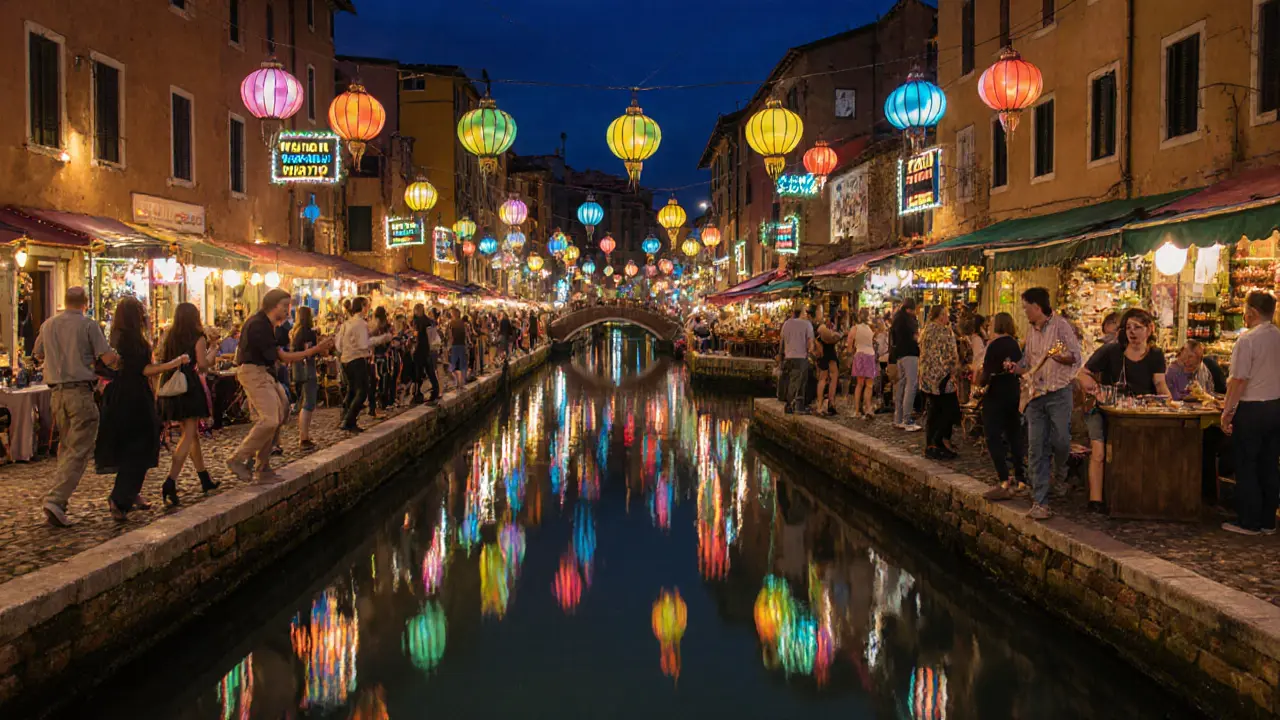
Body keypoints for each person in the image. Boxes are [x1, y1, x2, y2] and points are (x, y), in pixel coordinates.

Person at [32, 287, 120, 527]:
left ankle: (59, 502)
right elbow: (107, 358)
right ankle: (57, 499)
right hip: (79, 392)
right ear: (85, 302)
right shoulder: (88, 325)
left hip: (56, 394)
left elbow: (37, 354)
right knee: (79, 449)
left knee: (67, 446)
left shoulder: (48, 325)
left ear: (64, 300)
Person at [95, 297, 187, 520]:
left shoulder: (116, 337)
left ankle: (130, 493)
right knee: (141, 445)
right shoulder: (132, 340)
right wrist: (175, 363)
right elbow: (144, 370)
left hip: (118, 396)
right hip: (134, 396)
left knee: (133, 445)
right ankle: (120, 497)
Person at [227, 289, 332, 483]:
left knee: (282, 411)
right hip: (253, 373)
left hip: (265, 373)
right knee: (270, 419)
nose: (287, 311)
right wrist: (315, 350)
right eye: (285, 306)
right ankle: (239, 458)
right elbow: (283, 357)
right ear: (273, 306)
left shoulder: (269, 325)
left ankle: (262, 465)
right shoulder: (258, 325)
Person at [1077, 308, 1169, 513]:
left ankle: (1135, 498)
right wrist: (1095, 389)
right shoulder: (1111, 351)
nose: (1132, 332)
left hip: (1136, 412)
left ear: (1149, 329)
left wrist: (1171, 404)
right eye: (1128, 327)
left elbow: (1160, 384)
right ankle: (1096, 500)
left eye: (1138, 327)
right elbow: (1082, 373)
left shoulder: (1155, 354)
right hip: (1102, 409)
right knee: (1099, 451)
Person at [1004, 288, 1080, 520]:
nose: (1024, 311)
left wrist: (1059, 356)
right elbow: (1029, 361)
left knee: (1061, 440)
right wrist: (1015, 366)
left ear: (1037, 307)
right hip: (1036, 394)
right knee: (1036, 447)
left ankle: (1060, 472)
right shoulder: (1031, 330)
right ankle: (1040, 502)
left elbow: (1076, 356)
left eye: (1026, 307)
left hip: (1058, 392)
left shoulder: (1061, 326)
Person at [1221, 292, 1280, 536]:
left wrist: (1227, 412)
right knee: (1269, 464)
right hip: (1275, 407)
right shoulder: (1278, 336)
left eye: (1245, 309)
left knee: (1247, 464)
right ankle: (1268, 520)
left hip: (1252, 408)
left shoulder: (1247, 341)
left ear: (1253, 312)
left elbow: (1238, 380)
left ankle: (1249, 521)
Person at [158, 302, 219, 505]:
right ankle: (170, 480)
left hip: (172, 385)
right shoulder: (197, 338)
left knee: (191, 436)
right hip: (189, 388)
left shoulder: (169, 336)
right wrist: (212, 351)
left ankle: (204, 478)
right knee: (189, 435)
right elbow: (202, 366)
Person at [978, 313, 1027, 499]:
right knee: (1014, 434)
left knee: (993, 436)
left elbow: (987, 374)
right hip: (1012, 392)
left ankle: (1004, 478)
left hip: (996, 394)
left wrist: (979, 383)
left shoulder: (994, 345)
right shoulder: (1014, 344)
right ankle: (1021, 478)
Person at [335, 297, 389, 433]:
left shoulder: (347, 323)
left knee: (352, 390)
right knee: (362, 391)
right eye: (367, 306)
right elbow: (364, 344)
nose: (368, 309)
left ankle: (347, 418)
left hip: (346, 360)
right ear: (363, 307)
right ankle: (348, 420)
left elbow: (339, 344)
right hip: (357, 359)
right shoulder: (360, 324)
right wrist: (382, 338)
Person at [919, 305, 960, 460]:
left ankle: (931, 444)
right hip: (943, 377)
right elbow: (951, 354)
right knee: (950, 410)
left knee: (934, 411)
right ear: (941, 316)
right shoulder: (945, 331)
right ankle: (939, 440)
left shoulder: (926, 330)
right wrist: (953, 371)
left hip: (927, 378)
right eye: (946, 314)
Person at [290, 305, 320, 449]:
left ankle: (305, 435)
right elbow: (309, 351)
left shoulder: (296, 332)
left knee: (304, 401)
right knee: (309, 402)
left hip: (299, 370)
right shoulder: (308, 333)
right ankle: (304, 438)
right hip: (308, 369)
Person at [890, 298, 922, 432]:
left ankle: (898, 419)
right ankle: (907, 419)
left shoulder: (897, 318)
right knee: (912, 384)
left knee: (901, 385)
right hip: (910, 353)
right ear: (911, 309)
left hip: (899, 355)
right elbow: (915, 337)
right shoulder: (909, 320)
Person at [779, 308, 814, 414]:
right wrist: (810, 353)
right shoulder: (807, 324)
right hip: (801, 356)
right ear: (801, 314)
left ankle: (790, 404)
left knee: (791, 380)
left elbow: (782, 340)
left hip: (788, 356)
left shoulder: (786, 324)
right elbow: (810, 342)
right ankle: (797, 405)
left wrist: (781, 355)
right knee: (801, 382)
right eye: (805, 313)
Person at [848, 308, 877, 419]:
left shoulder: (855, 328)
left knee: (859, 384)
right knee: (869, 385)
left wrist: (850, 356)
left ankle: (857, 411)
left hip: (859, 355)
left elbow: (849, 343)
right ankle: (868, 408)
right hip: (870, 355)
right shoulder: (871, 328)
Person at [412, 303, 441, 403]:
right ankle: (435, 392)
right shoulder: (429, 320)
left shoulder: (418, 321)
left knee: (418, 374)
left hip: (420, 350)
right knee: (430, 372)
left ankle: (417, 394)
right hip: (428, 349)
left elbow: (416, 336)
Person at [813, 318, 842, 416]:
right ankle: (829, 403)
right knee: (832, 378)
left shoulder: (819, 330)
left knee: (824, 379)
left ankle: (821, 405)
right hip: (830, 354)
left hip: (824, 355)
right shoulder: (829, 331)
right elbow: (835, 338)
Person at [447, 308, 469, 388]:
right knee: (461, 365)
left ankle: (457, 382)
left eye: (452, 313)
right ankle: (461, 382)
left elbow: (450, 336)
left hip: (455, 345)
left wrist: (449, 345)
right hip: (462, 345)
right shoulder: (463, 323)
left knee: (452, 365)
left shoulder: (451, 323)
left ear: (454, 314)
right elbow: (466, 335)